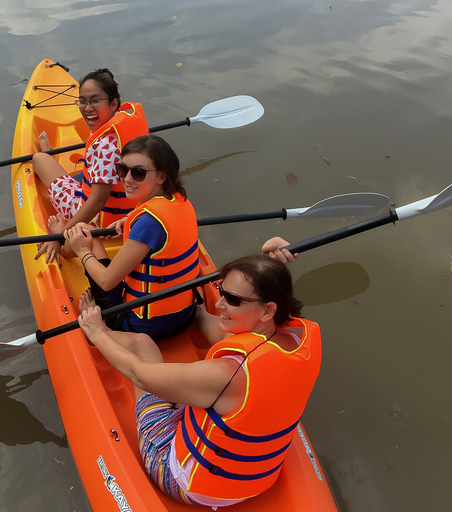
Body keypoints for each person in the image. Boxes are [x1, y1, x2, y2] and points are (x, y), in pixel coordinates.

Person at [77, 254, 321, 506]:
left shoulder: (225, 374)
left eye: (233, 300)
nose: (221, 304)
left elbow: (139, 374)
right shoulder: (296, 340)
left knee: (143, 344)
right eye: (221, 291)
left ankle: (101, 331)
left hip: (185, 481)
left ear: (268, 310)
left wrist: (97, 332)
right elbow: (233, 336)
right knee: (208, 329)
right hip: (257, 481)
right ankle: (195, 314)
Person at [64, 134, 199, 339]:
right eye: (122, 169)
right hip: (184, 314)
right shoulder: (180, 200)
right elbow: (158, 221)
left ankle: (98, 319)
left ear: (162, 176)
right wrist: (129, 217)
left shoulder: (148, 223)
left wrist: (81, 251)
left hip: (143, 327)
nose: (126, 179)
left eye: (138, 173)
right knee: (90, 234)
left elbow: (107, 282)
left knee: (85, 232)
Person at [32, 68, 148, 263]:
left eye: (95, 100)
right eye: (83, 101)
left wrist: (60, 237)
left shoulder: (104, 146)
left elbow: (96, 202)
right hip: (129, 216)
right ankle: (52, 157)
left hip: (102, 222)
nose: (87, 108)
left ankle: (48, 154)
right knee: (80, 176)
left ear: (113, 103)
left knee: (39, 159)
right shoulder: (128, 123)